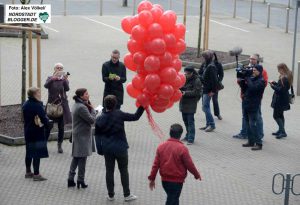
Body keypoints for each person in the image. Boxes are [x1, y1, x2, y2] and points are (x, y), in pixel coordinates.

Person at [95, 95, 144, 202]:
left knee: (109, 171)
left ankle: (111, 195)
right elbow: (135, 117)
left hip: (107, 148)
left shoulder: (99, 119)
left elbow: (97, 136)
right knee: (123, 170)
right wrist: (142, 106)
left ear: (105, 104)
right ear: (115, 104)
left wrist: (99, 149)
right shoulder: (119, 114)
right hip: (121, 147)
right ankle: (127, 195)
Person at [148, 124, 202, 205]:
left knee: (174, 199)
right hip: (177, 182)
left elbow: (155, 165)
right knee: (172, 200)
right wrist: (196, 175)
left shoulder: (161, 147)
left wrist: (152, 178)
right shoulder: (182, 148)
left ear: (170, 133)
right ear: (180, 135)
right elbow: (189, 164)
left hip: (165, 181)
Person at [233, 54, 268, 140]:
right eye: (250, 59)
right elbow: (240, 82)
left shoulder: (262, 71)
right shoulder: (246, 69)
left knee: (257, 117)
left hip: (255, 99)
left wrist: (249, 81)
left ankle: (260, 135)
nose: (251, 60)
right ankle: (244, 133)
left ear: (257, 60)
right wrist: (241, 79)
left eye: (253, 59)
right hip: (245, 96)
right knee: (244, 116)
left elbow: (264, 84)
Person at [67, 88, 96, 189]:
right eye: (86, 94)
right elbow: (91, 120)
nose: (88, 95)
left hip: (78, 135)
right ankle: (80, 180)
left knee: (76, 157)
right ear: (81, 96)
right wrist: (93, 110)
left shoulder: (76, 105)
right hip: (82, 136)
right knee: (82, 159)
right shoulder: (82, 107)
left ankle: (70, 179)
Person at [22, 87, 49, 181]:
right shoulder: (37, 105)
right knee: (36, 153)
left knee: (29, 152)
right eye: (38, 93)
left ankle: (28, 172)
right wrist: (48, 125)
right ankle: (36, 174)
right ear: (33, 94)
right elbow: (44, 118)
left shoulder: (25, 104)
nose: (40, 94)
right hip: (37, 132)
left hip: (28, 131)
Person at [44, 63, 72, 153]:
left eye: (61, 68)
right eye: (57, 68)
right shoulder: (50, 78)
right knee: (49, 125)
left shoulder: (63, 79)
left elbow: (67, 89)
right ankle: (44, 144)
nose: (59, 69)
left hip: (62, 106)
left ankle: (59, 145)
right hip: (52, 105)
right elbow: (46, 86)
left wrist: (65, 80)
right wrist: (52, 79)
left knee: (61, 127)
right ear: (54, 69)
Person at [241, 65, 266, 150]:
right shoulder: (252, 78)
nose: (253, 72)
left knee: (253, 125)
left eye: (255, 70)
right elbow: (245, 88)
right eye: (253, 70)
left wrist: (247, 78)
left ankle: (259, 143)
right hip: (246, 104)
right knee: (247, 124)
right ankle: (251, 141)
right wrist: (242, 80)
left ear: (259, 71)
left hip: (253, 105)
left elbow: (252, 88)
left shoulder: (261, 81)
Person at [180, 65, 202, 145]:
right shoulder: (184, 78)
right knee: (185, 120)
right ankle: (187, 135)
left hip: (191, 104)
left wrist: (185, 93)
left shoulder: (197, 80)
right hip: (183, 103)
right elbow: (181, 86)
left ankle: (191, 138)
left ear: (192, 73)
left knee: (190, 122)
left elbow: (196, 92)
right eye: (185, 73)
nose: (186, 75)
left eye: (187, 73)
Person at [270, 63, 293, 139]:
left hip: (280, 100)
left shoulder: (285, 78)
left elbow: (281, 90)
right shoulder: (285, 76)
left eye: (279, 69)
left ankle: (283, 132)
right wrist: (275, 83)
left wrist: (273, 86)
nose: (278, 71)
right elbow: (281, 87)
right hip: (282, 99)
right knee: (280, 115)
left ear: (282, 69)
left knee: (276, 116)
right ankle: (280, 130)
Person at [198, 50, 218, 132]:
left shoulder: (211, 67)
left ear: (207, 57)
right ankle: (207, 124)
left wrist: (213, 91)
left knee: (205, 107)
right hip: (205, 88)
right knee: (206, 107)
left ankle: (212, 125)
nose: (203, 58)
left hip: (208, 90)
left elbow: (215, 80)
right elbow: (200, 73)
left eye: (204, 57)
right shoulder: (206, 64)